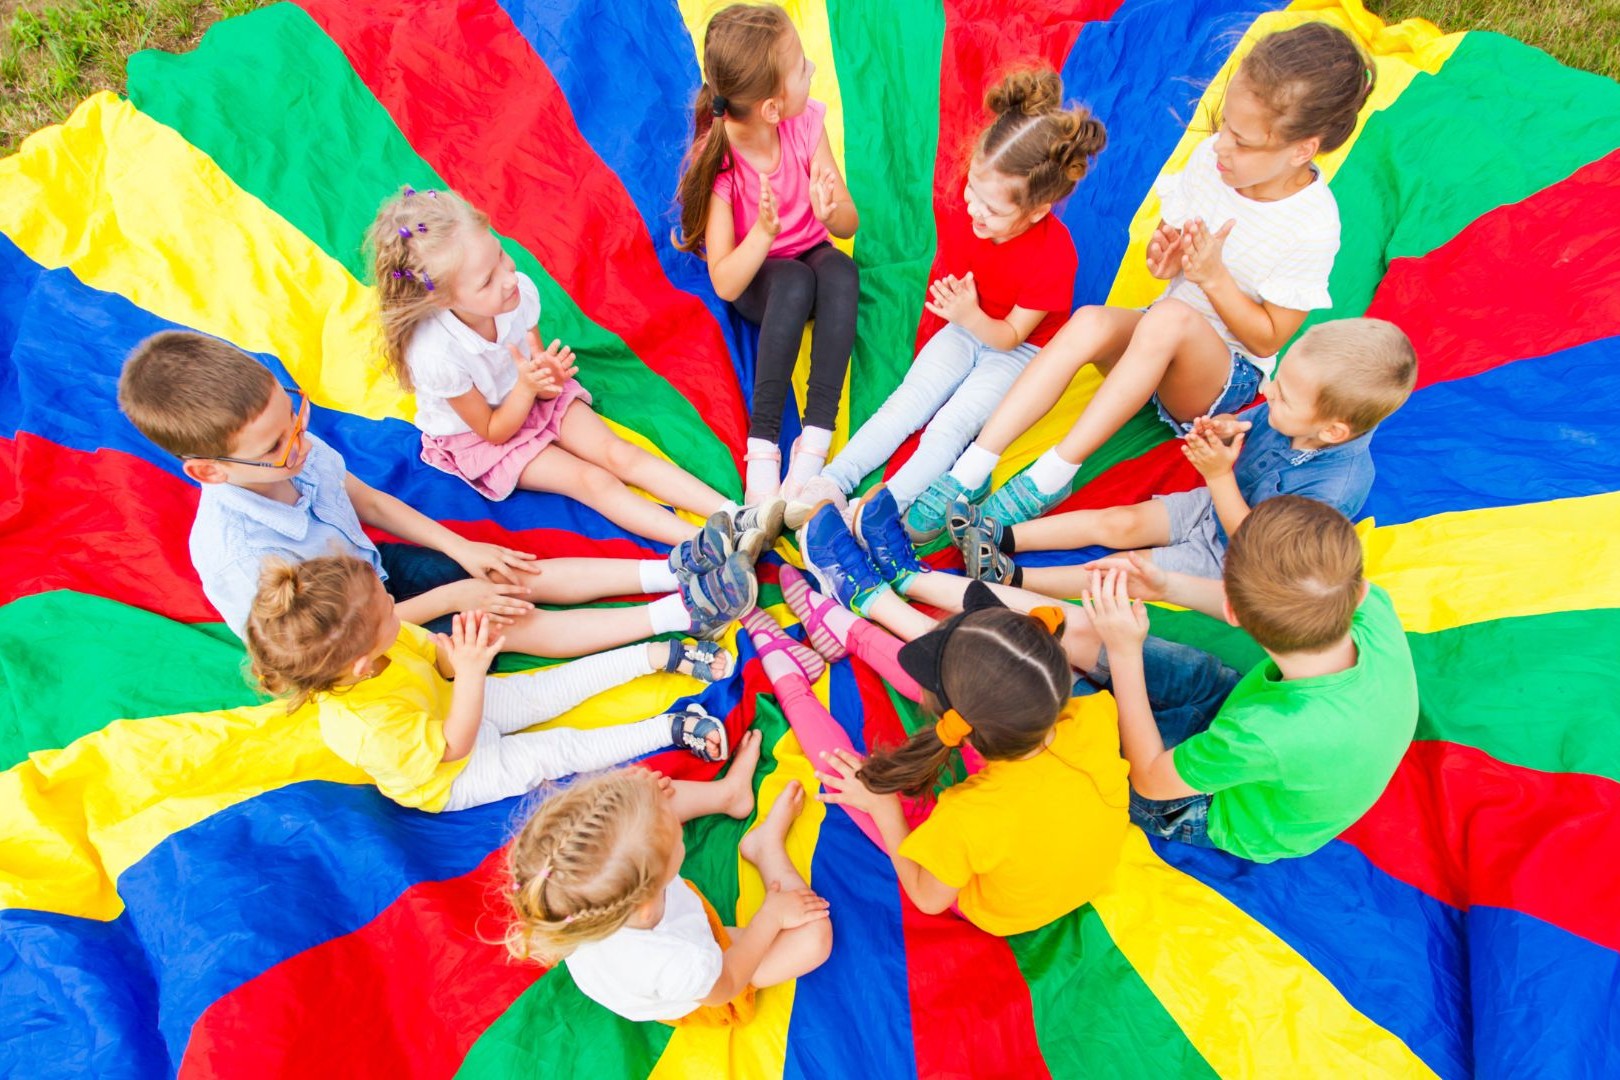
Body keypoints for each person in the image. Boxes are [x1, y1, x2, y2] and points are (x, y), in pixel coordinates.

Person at [909, 22, 1375, 538]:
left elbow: (1269, 337)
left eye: (1240, 142)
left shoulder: (1310, 225)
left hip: (1221, 383)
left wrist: (1215, 279)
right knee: (1089, 322)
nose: (1220, 147)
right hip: (1156, 343)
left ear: (1300, 152)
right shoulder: (1210, 163)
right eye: (1222, 126)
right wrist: (1166, 258)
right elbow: (1168, 265)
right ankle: (970, 469)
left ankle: (1049, 477)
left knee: (1170, 318)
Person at [118, 331, 757, 648]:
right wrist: (456, 592)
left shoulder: (294, 449)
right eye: (276, 446)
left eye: (295, 414)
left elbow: (367, 502)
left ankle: (670, 569)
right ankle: (674, 614)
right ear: (210, 471)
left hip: (369, 570)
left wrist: (463, 550)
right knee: (504, 621)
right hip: (352, 643)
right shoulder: (244, 561)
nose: (301, 440)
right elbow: (341, 647)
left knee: (509, 571)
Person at [368, 184, 784, 546]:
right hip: (484, 435)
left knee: (618, 454)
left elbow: (533, 358)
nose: (508, 277)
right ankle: (711, 541)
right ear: (444, 301)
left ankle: (736, 515)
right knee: (593, 482)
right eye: (486, 281)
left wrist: (546, 378)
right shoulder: (436, 355)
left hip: (526, 391)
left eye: (500, 256)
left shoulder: (516, 294)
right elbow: (493, 431)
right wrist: (529, 388)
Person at [792, 68, 1103, 521]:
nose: (974, 207)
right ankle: (833, 480)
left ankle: (883, 506)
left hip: (1015, 349)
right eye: (973, 191)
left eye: (993, 209)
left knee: (950, 427)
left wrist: (968, 313)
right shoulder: (971, 209)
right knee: (908, 403)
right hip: (967, 323)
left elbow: (1013, 335)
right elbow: (969, 272)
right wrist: (962, 307)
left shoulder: (1055, 255)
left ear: (1036, 211)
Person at [950, 318, 1416, 589]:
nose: (1268, 390)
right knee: (1119, 522)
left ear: (1333, 431)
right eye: (1279, 381)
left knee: (1129, 571)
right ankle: (1000, 534)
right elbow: (1256, 421)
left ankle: (1011, 577)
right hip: (1216, 506)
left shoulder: (1334, 486)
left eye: (1285, 396)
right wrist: (1230, 426)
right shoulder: (1292, 415)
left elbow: (1258, 543)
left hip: (1240, 558)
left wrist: (1217, 475)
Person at [1077, 496, 1419, 861]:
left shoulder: (1271, 731)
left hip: (1201, 805)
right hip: (1245, 715)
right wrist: (1166, 587)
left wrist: (1125, 653)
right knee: (1086, 637)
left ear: (1232, 613)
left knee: (1070, 714)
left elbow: (1150, 782)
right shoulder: (1370, 605)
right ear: (1360, 590)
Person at [811, 583, 1130, 936]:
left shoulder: (966, 816)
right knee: (976, 690)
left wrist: (884, 807)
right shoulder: (1097, 715)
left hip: (1006, 913)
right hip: (1089, 868)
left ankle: (797, 666)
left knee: (862, 790)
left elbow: (926, 898)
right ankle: (845, 631)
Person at [674, 2, 860, 503]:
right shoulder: (719, 161)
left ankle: (815, 440)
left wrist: (828, 212)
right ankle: (763, 447)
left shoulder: (804, 124)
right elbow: (727, 283)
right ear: (772, 107)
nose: (813, 71)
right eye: (802, 68)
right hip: (761, 282)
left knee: (841, 270)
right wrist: (760, 232)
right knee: (795, 281)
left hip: (810, 258)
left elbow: (848, 223)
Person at [504, 761, 832, 1025]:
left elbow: (629, 818)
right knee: (814, 938)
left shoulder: (570, 885)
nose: (679, 834)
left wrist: (632, 794)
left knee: (649, 800)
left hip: (653, 938)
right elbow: (728, 982)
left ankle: (729, 794)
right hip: (712, 984)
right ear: (649, 902)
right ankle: (766, 847)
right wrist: (770, 917)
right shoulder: (679, 960)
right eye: (676, 839)